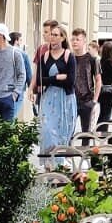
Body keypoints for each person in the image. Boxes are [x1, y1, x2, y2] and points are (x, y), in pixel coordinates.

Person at [31, 21, 77, 150]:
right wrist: (56, 77)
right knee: (47, 130)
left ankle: (59, 162)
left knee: (63, 131)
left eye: (56, 35)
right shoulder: (44, 57)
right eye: (51, 34)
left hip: (65, 98)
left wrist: (49, 80)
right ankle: (48, 161)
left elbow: (71, 81)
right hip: (49, 98)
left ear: (63, 37)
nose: (52, 37)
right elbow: (40, 80)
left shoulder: (69, 56)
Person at [0, 22, 26, 120]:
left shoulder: (15, 53)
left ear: (1, 35)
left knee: (7, 130)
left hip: (8, 97)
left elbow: (22, 74)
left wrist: (15, 94)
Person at [71, 28, 100, 135]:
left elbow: (98, 80)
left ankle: (86, 152)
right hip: (71, 100)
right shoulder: (69, 58)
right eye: (73, 39)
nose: (74, 42)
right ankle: (68, 152)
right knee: (68, 133)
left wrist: (94, 101)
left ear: (84, 41)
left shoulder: (92, 59)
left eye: (77, 39)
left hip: (87, 101)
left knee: (87, 134)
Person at [98, 40, 112, 124]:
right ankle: (102, 134)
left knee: (103, 114)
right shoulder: (108, 62)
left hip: (101, 90)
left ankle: (99, 132)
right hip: (108, 91)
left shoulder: (100, 62)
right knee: (106, 116)